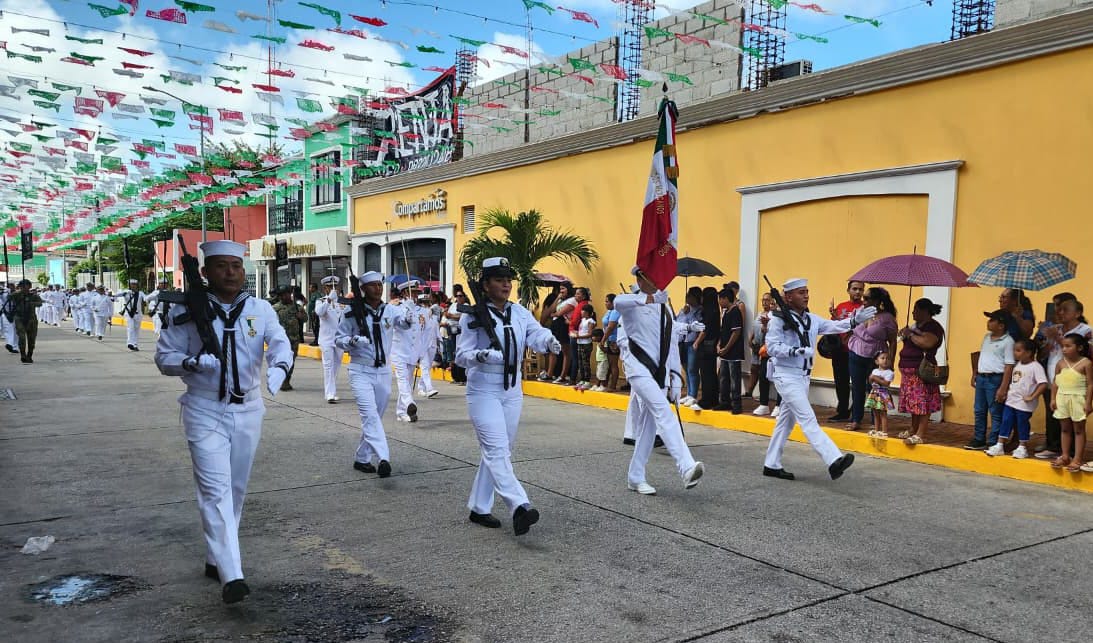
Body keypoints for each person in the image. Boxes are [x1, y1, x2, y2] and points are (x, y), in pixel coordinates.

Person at [154, 241, 293, 604]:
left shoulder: (259, 309)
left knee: (236, 489)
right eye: (221, 266)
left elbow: (279, 343)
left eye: (236, 265)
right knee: (215, 491)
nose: (230, 272)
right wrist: (190, 363)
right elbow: (164, 357)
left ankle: (216, 556)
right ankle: (233, 575)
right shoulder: (184, 311)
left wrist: (279, 367)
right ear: (204, 272)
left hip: (248, 409)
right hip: (204, 409)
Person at [455, 257, 562, 535]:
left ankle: (479, 507)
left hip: (512, 390)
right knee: (497, 450)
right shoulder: (473, 315)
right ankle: (519, 505)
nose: (506, 284)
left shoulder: (519, 313)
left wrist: (548, 340)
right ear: (485, 284)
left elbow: (535, 333)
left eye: (508, 279)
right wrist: (481, 355)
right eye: (499, 279)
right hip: (483, 390)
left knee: (499, 451)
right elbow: (460, 356)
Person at [763, 278, 875, 481]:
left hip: (803, 377)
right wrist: (794, 350)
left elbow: (834, 326)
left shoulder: (811, 319)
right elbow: (771, 347)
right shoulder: (778, 320)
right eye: (800, 292)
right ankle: (833, 459)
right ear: (787, 297)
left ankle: (771, 464)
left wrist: (854, 321)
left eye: (807, 291)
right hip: (786, 375)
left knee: (785, 423)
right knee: (808, 419)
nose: (806, 295)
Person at [617, 268, 707, 496]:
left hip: (659, 372)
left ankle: (635, 477)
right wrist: (648, 299)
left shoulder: (663, 304)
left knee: (649, 428)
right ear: (640, 279)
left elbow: (668, 330)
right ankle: (686, 466)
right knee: (662, 411)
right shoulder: (632, 303)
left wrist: (688, 327)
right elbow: (618, 302)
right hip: (638, 368)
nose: (659, 280)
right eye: (652, 276)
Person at [336, 271, 404, 478]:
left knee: (376, 417)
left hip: (383, 370)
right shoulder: (351, 312)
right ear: (363, 289)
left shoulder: (390, 311)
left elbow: (404, 324)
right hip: (360, 369)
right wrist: (352, 341)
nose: (378, 288)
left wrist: (409, 317)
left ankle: (362, 458)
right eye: (373, 285)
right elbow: (339, 339)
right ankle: (383, 457)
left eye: (380, 285)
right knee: (369, 414)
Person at [1034, 297, 1091, 461]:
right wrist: (1046, 343)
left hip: (1076, 384)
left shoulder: (1086, 330)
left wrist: (1059, 339)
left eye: (1065, 309)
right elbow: (1045, 354)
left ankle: (1073, 453)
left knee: (1076, 420)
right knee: (1054, 415)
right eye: (1058, 309)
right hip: (1055, 379)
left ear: (1077, 313)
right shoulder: (1055, 328)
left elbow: (1087, 354)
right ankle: (1054, 447)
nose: (1060, 312)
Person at [846, 287, 898, 431]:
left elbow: (892, 341)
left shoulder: (887, 318)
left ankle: (875, 421)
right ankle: (856, 419)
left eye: (867, 298)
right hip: (856, 352)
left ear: (877, 301)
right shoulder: (859, 312)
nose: (864, 300)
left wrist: (890, 362)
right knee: (857, 387)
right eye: (864, 297)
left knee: (875, 389)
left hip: (875, 357)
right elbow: (850, 326)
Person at [986, 338, 1048, 459]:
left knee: (1022, 423)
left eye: (1018, 350)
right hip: (1011, 400)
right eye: (1015, 350)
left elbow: (1043, 384)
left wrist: (1032, 396)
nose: (1015, 353)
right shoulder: (1018, 364)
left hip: (1024, 403)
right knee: (1006, 420)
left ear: (1029, 353)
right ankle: (1000, 445)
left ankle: (1022, 446)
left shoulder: (1036, 367)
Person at [897, 299, 946, 446]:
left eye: (916, 309)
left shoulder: (933, 327)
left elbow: (927, 343)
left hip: (922, 371)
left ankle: (920, 433)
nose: (913, 312)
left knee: (922, 402)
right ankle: (913, 428)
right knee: (913, 403)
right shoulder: (915, 326)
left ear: (925, 311)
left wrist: (910, 335)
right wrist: (905, 333)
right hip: (908, 372)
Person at [966, 310, 1016, 450]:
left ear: (1001, 325)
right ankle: (979, 438)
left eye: (992, 320)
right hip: (982, 377)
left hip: (996, 378)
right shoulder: (987, 337)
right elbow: (983, 356)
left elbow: (1009, 365)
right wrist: (975, 373)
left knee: (995, 411)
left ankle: (994, 440)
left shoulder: (1008, 341)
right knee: (979, 410)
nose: (989, 322)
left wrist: (1003, 387)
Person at [1049, 333, 1093, 472]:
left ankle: (1078, 458)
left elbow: (1091, 384)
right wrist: (1052, 398)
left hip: (1078, 399)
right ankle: (1065, 455)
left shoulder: (1086, 363)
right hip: (1062, 399)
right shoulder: (1060, 363)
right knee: (1065, 429)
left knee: (1079, 429)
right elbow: (1055, 383)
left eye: (1068, 346)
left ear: (1079, 347)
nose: (1064, 349)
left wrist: (1088, 403)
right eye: (1063, 346)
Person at [827, 281, 865, 422]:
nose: (857, 292)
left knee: (858, 384)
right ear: (848, 290)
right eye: (854, 289)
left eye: (860, 289)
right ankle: (842, 411)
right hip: (840, 351)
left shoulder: (865, 308)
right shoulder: (841, 307)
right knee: (841, 382)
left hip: (858, 351)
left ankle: (855, 412)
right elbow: (832, 327)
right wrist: (834, 316)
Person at [391, 280, 427, 422]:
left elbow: (421, 332)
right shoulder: (396, 307)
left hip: (412, 351)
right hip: (399, 350)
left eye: (418, 292)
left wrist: (421, 352)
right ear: (405, 293)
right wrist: (407, 312)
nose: (416, 295)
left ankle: (401, 412)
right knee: (402, 378)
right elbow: (400, 324)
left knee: (408, 379)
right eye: (414, 292)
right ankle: (409, 402)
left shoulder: (419, 310)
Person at [315, 275, 346, 403]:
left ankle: (331, 390)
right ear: (325, 288)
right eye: (329, 287)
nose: (333, 289)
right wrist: (328, 300)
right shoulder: (321, 301)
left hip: (338, 339)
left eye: (335, 286)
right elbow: (319, 312)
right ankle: (330, 394)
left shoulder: (341, 303)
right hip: (326, 340)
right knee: (328, 366)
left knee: (336, 366)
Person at [272, 286, 307, 391]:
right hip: (280, 340)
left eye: (286, 294)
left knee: (291, 361)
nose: (284, 297)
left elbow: (306, 319)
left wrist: (302, 316)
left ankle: (286, 380)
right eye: (281, 295)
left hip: (294, 340)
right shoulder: (275, 308)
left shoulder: (297, 307)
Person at [715, 286, 744, 413]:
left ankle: (736, 404)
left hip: (734, 352)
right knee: (723, 377)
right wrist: (719, 344)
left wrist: (727, 348)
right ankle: (724, 401)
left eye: (720, 299)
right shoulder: (725, 312)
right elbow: (724, 331)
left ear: (726, 299)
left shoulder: (735, 311)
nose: (719, 303)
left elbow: (736, 332)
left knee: (734, 378)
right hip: (724, 352)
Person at [751, 292, 778, 416]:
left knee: (778, 378)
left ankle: (779, 405)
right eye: (764, 300)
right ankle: (763, 404)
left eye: (770, 301)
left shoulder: (778, 316)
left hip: (776, 352)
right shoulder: (761, 315)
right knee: (763, 376)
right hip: (764, 350)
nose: (766, 303)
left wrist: (767, 327)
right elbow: (757, 328)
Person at [695, 286, 720, 410]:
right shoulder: (716, 310)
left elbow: (704, 329)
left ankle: (706, 399)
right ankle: (713, 399)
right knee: (711, 373)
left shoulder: (707, 312)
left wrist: (696, 342)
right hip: (713, 345)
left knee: (705, 374)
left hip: (705, 346)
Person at [676, 287, 702, 406]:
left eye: (690, 295)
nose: (687, 297)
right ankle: (688, 393)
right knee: (686, 368)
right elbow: (678, 322)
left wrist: (688, 315)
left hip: (693, 342)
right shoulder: (684, 309)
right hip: (682, 342)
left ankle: (693, 394)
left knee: (692, 369)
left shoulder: (700, 310)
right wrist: (683, 312)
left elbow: (697, 325)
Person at [547, 282, 576, 384]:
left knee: (565, 351)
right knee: (552, 349)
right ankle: (549, 374)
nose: (561, 291)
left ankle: (563, 375)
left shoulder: (572, 300)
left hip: (563, 326)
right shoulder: (561, 300)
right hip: (556, 326)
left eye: (563, 288)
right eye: (560, 289)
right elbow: (552, 309)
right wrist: (557, 298)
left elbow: (559, 313)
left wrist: (553, 314)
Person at [9, 279, 43, 364]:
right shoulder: (16, 295)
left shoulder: (33, 296)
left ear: (30, 286)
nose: (24, 287)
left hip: (31, 319)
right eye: (22, 286)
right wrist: (17, 292)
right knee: (22, 338)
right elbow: (9, 297)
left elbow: (40, 303)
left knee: (31, 339)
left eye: (26, 285)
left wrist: (31, 303)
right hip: (19, 318)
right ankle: (23, 355)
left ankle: (29, 355)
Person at [415, 293, 440, 398]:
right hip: (422, 345)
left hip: (432, 345)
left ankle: (421, 387)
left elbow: (436, 331)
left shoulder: (433, 316)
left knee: (428, 367)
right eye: (423, 303)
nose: (426, 305)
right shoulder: (417, 315)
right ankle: (429, 389)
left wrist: (439, 344)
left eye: (427, 303)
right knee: (425, 366)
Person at [864, 352, 896, 438]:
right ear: (877, 361)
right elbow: (871, 381)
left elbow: (886, 383)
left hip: (883, 394)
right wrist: (873, 379)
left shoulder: (889, 373)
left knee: (883, 413)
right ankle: (876, 429)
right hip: (874, 393)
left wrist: (875, 378)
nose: (885, 360)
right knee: (875, 412)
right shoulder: (875, 371)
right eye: (882, 358)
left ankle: (884, 431)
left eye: (888, 358)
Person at [117, 279, 147, 351]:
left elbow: (146, 298)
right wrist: (125, 292)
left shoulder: (140, 293)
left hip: (138, 314)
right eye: (131, 284)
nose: (133, 286)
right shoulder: (126, 292)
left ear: (137, 285)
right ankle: (130, 343)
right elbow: (116, 295)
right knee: (130, 328)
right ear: (129, 285)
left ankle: (135, 344)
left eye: (134, 284)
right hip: (129, 313)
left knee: (136, 329)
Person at [600, 293, 622, 392]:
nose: (605, 303)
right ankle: (607, 383)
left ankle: (613, 385)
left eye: (607, 301)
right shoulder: (610, 311)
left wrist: (603, 340)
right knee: (609, 363)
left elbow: (610, 327)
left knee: (613, 363)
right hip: (609, 339)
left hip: (613, 340)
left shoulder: (615, 312)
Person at [446, 290, 467, 385]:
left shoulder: (466, 306)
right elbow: (447, 314)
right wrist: (451, 316)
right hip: (451, 331)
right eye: (457, 296)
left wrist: (452, 316)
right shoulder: (453, 305)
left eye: (460, 296)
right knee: (453, 355)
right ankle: (456, 377)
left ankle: (463, 378)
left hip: (461, 332)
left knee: (460, 354)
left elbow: (461, 317)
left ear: (464, 297)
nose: (458, 298)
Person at [575, 303, 596, 390]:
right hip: (580, 343)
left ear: (588, 312)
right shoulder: (582, 320)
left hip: (586, 343)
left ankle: (587, 380)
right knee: (580, 362)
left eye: (583, 310)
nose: (581, 312)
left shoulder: (590, 321)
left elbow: (590, 334)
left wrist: (579, 336)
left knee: (585, 362)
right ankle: (582, 379)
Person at [1, 283, 18, 354]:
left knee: (15, 330)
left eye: (12, 286)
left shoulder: (17, 294)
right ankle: (10, 344)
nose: (11, 288)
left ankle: (15, 346)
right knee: (8, 330)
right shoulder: (4, 294)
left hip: (16, 314)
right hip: (6, 314)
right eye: (10, 286)